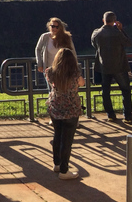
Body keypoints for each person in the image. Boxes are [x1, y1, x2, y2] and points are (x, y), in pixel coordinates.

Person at [45, 48, 85, 180]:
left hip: (55, 107)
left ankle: (56, 164)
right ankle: (64, 170)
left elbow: (51, 82)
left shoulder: (50, 72)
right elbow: (82, 83)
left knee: (57, 136)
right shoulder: (74, 74)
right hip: (71, 109)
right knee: (67, 141)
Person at [91, 11, 132, 123]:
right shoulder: (117, 32)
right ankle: (128, 116)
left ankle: (111, 115)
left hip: (104, 67)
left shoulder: (96, 33)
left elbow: (94, 45)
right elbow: (128, 43)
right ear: (115, 21)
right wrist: (121, 29)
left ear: (103, 20)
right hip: (119, 66)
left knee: (105, 91)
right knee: (125, 90)